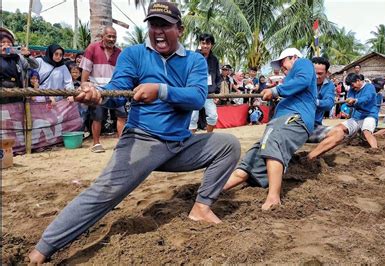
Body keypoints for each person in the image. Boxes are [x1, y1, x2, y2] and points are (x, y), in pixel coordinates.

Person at [28, 2, 241, 264]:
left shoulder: (196, 60)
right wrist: (98, 95)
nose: (158, 31)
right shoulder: (134, 55)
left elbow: (197, 97)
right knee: (105, 193)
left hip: (180, 144)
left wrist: (160, 89)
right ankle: (43, 249)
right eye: (153, 24)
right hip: (143, 140)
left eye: (165, 25)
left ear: (180, 30)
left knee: (228, 144)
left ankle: (201, 207)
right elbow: (118, 92)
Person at [223, 48, 317, 210]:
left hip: (294, 117)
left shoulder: (303, 63)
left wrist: (275, 91)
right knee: (253, 159)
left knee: (273, 144)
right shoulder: (288, 81)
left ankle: (273, 197)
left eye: (283, 62)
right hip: (281, 121)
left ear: (293, 57)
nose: (282, 67)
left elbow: (303, 80)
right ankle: (214, 189)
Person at [307, 73, 379, 160]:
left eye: (353, 85)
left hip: (369, 115)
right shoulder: (352, 89)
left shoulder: (369, 87)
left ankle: (375, 150)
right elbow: (350, 99)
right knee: (337, 128)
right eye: (350, 86)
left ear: (358, 81)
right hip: (356, 117)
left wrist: (355, 100)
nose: (352, 87)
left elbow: (366, 98)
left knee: (367, 132)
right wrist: (349, 103)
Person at [80, 26, 126, 153]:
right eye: (109, 36)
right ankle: (96, 143)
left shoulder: (120, 53)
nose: (112, 39)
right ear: (102, 37)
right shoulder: (92, 48)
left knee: (122, 115)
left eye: (114, 37)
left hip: (116, 88)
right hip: (97, 88)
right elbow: (86, 70)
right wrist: (84, 85)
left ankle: (121, 142)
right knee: (97, 116)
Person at [189, 33, 220, 133]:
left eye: (208, 43)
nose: (205, 46)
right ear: (200, 44)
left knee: (213, 116)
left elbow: (217, 77)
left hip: (209, 93)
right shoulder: (193, 57)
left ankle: (208, 137)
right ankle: (191, 140)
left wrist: (217, 94)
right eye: (203, 43)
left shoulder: (214, 60)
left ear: (212, 45)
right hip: (195, 92)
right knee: (192, 117)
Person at [0, 27, 38, 104]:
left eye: (9, 42)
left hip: (17, 96)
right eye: (3, 42)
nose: (6, 45)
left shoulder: (18, 57)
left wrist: (28, 55)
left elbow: (35, 65)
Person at [307, 57, 335, 143]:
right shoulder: (302, 82)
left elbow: (329, 103)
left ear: (326, 73)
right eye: (314, 73)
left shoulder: (329, 85)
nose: (316, 76)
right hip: (297, 125)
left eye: (320, 73)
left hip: (314, 127)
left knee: (339, 133)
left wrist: (315, 102)